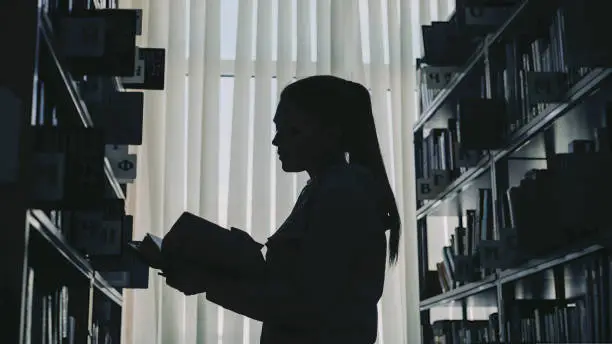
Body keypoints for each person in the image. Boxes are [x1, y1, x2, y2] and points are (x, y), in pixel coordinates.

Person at [161, 75, 401, 344]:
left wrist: (210, 281)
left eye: (293, 131)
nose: (276, 141)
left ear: (333, 133)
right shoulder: (323, 190)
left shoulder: (341, 194)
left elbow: (306, 305)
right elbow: (308, 286)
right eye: (279, 128)